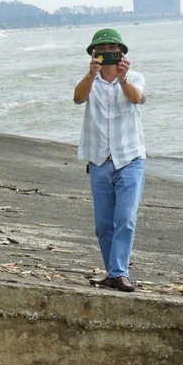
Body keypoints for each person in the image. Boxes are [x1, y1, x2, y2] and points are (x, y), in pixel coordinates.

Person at [73, 26, 148, 291]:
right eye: (101, 51)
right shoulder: (89, 82)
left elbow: (137, 99)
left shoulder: (135, 77)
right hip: (99, 159)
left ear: (122, 53)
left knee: (125, 218)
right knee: (103, 224)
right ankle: (113, 274)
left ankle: (119, 272)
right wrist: (90, 74)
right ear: (94, 55)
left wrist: (124, 79)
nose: (108, 55)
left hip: (130, 158)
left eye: (112, 51)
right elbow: (77, 98)